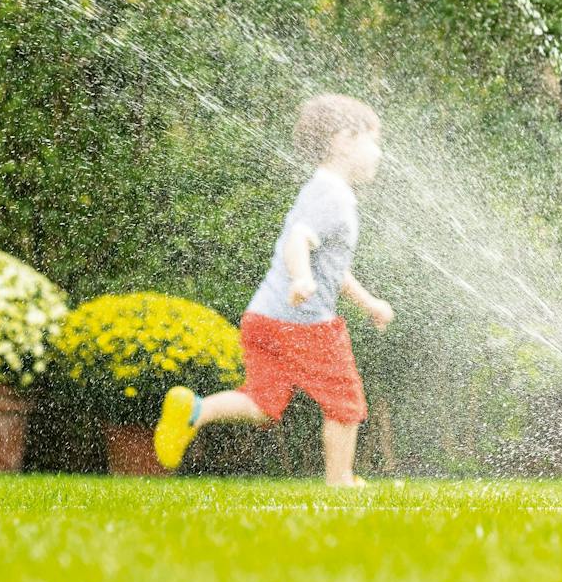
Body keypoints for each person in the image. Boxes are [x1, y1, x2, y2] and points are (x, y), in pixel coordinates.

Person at [153, 93, 395, 486]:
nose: (378, 153)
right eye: (372, 141)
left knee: (263, 402)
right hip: (304, 322)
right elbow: (297, 241)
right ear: (343, 140)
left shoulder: (323, 190)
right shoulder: (332, 194)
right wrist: (301, 278)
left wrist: (367, 302)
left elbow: (333, 266)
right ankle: (341, 481)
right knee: (345, 400)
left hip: (264, 317)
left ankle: (195, 410)